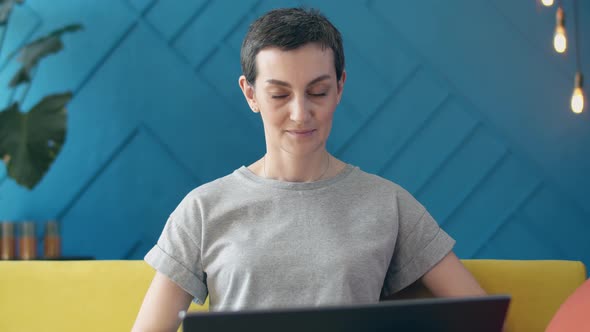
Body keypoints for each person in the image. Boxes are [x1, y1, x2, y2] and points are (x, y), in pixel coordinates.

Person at [132, 7, 486, 332]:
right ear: (250, 94)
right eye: (280, 95)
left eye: (317, 92)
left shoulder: (388, 203)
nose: (301, 114)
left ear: (339, 87)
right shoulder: (203, 209)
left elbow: (482, 317)